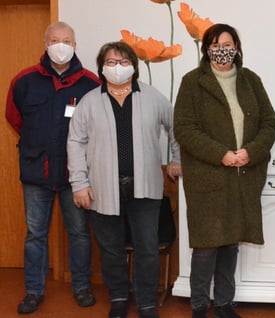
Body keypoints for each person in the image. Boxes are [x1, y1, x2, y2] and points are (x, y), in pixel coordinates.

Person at [67, 41, 182, 318]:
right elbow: (75, 142)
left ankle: (146, 303)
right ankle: (119, 297)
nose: (117, 67)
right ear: (101, 67)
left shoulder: (153, 97)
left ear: (133, 65)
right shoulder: (89, 102)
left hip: (145, 189)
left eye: (122, 61)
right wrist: (79, 183)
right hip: (102, 190)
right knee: (111, 250)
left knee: (147, 249)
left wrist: (176, 159)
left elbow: (177, 128)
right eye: (110, 62)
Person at [174, 23, 275, 318]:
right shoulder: (193, 82)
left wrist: (251, 152)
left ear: (237, 46)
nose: (223, 49)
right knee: (207, 246)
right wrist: (221, 155)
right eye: (216, 44)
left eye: (228, 43)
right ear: (207, 48)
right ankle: (198, 306)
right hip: (208, 177)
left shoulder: (250, 80)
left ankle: (223, 303)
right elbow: (184, 128)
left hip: (243, 176)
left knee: (230, 244)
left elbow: (270, 123)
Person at [5, 21, 99, 314]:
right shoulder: (24, 80)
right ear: (45, 44)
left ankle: (82, 286)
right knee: (35, 234)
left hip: (76, 175)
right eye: (55, 40)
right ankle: (33, 290)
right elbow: (14, 118)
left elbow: (97, 126)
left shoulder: (91, 83)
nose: (61, 45)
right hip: (37, 171)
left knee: (80, 233)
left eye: (67, 40)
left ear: (75, 45)